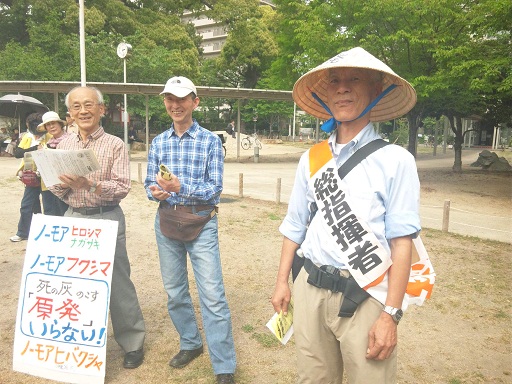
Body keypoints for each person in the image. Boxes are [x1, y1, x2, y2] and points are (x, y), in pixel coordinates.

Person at [271, 47, 422, 384]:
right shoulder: (311, 159)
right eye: (335, 81)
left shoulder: (396, 161)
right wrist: (282, 280)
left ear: (376, 91)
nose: (342, 88)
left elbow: (402, 244)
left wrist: (391, 316)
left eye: (355, 79)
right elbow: (295, 224)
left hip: (367, 295)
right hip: (310, 286)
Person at [144, 76, 236, 384]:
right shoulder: (158, 142)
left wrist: (181, 187)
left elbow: (215, 189)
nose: (175, 104)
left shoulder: (210, 141)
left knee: (212, 295)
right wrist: (154, 192)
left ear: (195, 102)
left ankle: (223, 365)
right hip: (167, 220)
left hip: (201, 221)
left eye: (182, 99)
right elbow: (148, 184)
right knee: (175, 292)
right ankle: (191, 342)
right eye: (170, 98)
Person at [48, 86, 146, 370]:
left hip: (107, 217)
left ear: (102, 109)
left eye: (89, 105)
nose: (83, 111)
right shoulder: (61, 146)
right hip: (73, 216)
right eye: (76, 107)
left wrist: (90, 184)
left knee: (117, 282)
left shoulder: (115, 144)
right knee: (74, 285)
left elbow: (123, 187)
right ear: (69, 114)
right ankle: (80, 346)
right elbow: (54, 186)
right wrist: (64, 185)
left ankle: (132, 342)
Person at [10, 113, 52, 242]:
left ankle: (49, 234)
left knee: (49, 207)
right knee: (27, 205)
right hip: (31, 176)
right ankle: (23, 232)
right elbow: (18, 153)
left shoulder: (50, 137)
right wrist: (35, 148)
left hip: (47, 177)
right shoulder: (27, 137)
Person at [37, 111, 70, 216]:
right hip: (50, 185)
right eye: (48, 124)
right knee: (51, 213)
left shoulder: (72, 139)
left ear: (60, 124)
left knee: (66, 213)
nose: (51, 126)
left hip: (67, 185)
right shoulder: (47, 144)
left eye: (53, 123)